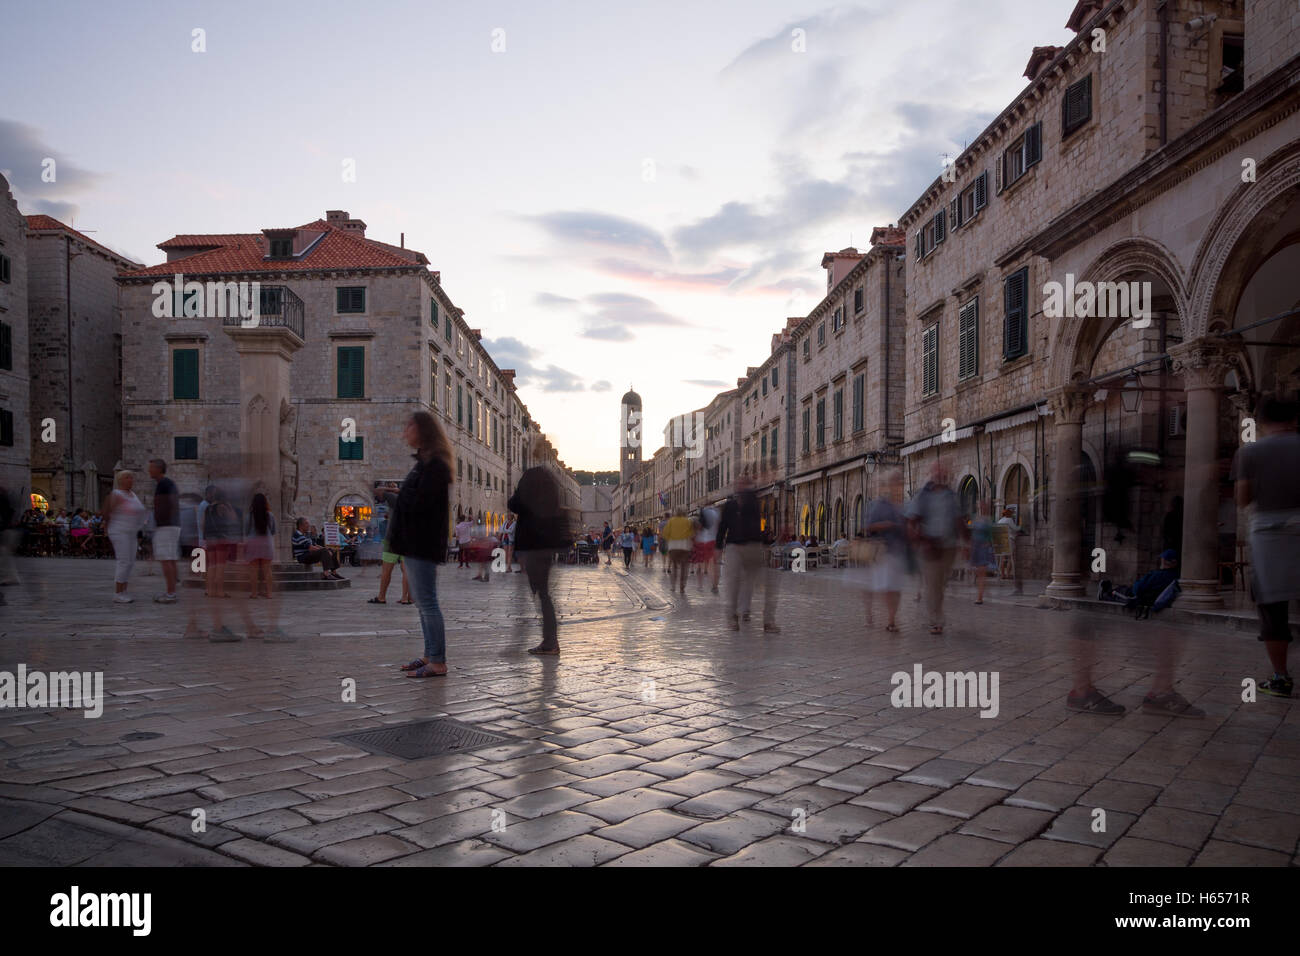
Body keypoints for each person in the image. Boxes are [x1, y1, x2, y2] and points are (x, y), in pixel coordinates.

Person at [1232, 396, 1300, 699]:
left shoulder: (1251, 452)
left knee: (1273, 612)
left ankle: (1281, 678)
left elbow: (1242, 499)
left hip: (1270, 535)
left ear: (1261, 422)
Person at [391, 411, 454, 678]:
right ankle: (429, 655)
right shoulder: (425, 463)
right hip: (415, 542)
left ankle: (437, 661)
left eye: (409, 425)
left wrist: (395, 497)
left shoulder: (436, 465)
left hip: (422, 542)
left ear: (423, 430)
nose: (405, 431)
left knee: (428, 602)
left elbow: (422, 504)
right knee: (422, 602)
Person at [509, 447, 568, 656]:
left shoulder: (530, 476)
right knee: (542, 593)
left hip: (533, 544)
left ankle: (550, 642)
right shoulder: (551, 479)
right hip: (546, 543)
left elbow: (516, 504)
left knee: (542, 593)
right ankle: (549, 640)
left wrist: (514, 498)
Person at [905, 461, 965, 635]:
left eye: (943, 472)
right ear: (932, 474)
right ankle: (936, 621)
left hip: (948, 547)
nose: (940, 475)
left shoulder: (951, 496)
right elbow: (911, 520)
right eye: (938, 472)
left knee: (940, 583)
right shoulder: (923, 496)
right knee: (933, 585)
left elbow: (958, 519)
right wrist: (918, 540)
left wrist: (966, 542)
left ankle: (936, 611)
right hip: (929, 547)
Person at [717, 471, 780, 632]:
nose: (743, 485)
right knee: (733, 584)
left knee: (767, 583)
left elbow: (757, 524)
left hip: (754, 546)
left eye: (745, 483)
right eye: (740, 483)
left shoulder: (754, 500)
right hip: (734, 547)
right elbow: (723, 527)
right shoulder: (730, 505)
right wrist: (718, 548)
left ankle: (767, 621)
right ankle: (733, 617)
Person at [865, 471, 909, 631]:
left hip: (899, 551)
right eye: (896, 482)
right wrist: (887, 525)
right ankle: (890, 620)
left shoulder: (902, 506)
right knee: (889, 587)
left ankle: (890, 618)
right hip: (884, 551)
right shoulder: (879, 505)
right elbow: (869, 526)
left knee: (895, 588)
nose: (898, 485)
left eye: (900, 482)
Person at [104, 470, 147, 604]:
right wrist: (106, 527)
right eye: (127, 477)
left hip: (131, 532)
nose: (131, 480)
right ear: (120, 480)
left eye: (131, 477)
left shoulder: (132, 495)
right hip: (119, 531)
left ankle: (124, 590)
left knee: (130, 561)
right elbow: (106, 511)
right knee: (123, 560)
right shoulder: (116, 494)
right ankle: (117, 593)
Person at [369, 483, 411, 605]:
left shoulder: (395, 498)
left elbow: (376, 490)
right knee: (406, 570)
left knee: (387, 570)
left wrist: (391, 489)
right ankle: (405, 598)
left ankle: (381, 597)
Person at [147, 459, 180, 603]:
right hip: (171, 525)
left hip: (166, 526)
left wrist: (158, 522)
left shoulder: (163, 484)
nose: (149, 470)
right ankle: (171, 590)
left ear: (158, 469)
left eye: (151, 468)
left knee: (166, 559)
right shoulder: (167, 483)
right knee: (170, 558)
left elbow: (165, 505)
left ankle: (171, 593)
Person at [244, 492, 276, 599]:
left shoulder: (249, 515)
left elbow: (246, 530)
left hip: (253, 543)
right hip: (266, 543)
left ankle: (254, 593)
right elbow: (273, 530)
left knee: (253, 570)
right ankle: (269, 593)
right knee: (267, 570)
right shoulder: (270, 515)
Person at [969, 501, 996, 604]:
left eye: (984, 506)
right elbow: (972, 532)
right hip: (976, 547)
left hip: (983, 548)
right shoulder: (976, 518)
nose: (982, 507)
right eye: (981, 506)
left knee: (981, 572)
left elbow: (990, 534)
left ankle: (980, 597)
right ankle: (983, 590)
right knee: (977, 572)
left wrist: (988, 543)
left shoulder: (989, 520)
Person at [663, 506, 695, 595]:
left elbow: (665, 533)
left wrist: (670, 539)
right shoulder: (687, 521)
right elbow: (691, 534)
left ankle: (673, 586)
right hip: (685, 546)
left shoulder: (671, 521)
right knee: (684, 568)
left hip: (673, 547)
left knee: (674, 566)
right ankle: (682, 587)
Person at [996, 507, 1024, 594]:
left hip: (1000, 545)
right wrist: (1021, 523)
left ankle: (1002, 574)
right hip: (1009, 542)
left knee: (1003, 557)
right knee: (1012, 556)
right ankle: (1008, 574)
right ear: (1009, 514)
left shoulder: (999, 521)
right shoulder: (1009, 520)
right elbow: (1016, 529)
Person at [694, 505, 720, 593]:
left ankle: (700, 585)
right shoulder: (716, 512)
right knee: (712, 564)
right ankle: (714, 585)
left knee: (700, 565)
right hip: (713, 540)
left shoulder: (703, 513)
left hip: (701, 541)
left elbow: (699, 528)